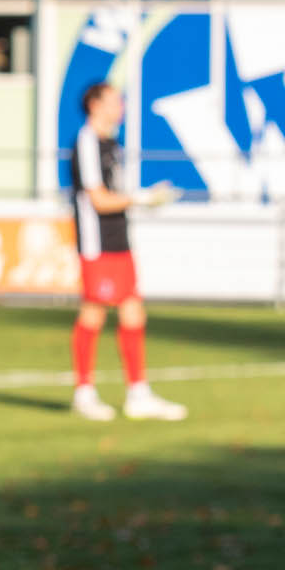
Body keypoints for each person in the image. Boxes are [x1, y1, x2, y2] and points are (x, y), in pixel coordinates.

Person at [67, 82, 186, 422]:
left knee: (134, 312)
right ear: (94, 104)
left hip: (120, 241)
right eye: (114, 100)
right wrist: (140, 198)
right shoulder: (87, 141)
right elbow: (99, 199)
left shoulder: (111, 144)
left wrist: (143, 199)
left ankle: (138, 393)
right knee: (94, 312)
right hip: (97, 243)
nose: (121, 106)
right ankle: (84, 393)